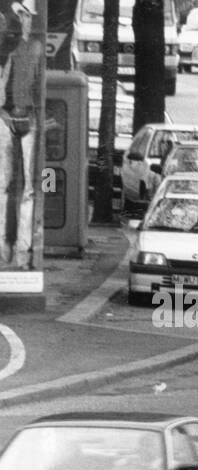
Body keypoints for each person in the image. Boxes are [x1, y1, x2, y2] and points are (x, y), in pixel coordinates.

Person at [0, 0, 42, 270]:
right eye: (21, 16)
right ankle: (4, 243)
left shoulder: (36, 48)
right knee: (5, 184)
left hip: (28, 116)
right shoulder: (8, 49)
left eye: (27, 16)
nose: (23, 21)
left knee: (26, 187)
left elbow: (38, 84)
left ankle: (22, 248)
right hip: (8, 116)